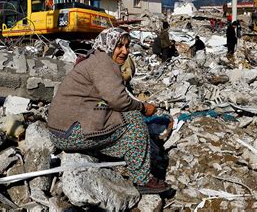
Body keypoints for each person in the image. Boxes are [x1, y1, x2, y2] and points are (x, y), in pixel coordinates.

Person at [47, 28, 171, 194]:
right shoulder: (103, 64)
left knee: (115, 114)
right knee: (133, 119)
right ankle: (142, 179)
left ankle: (106, 151)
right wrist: (142, 107)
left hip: (60, 131)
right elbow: (118, 100)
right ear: (108, 45)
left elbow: (107, 98)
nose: (125, 51)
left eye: (127, 46)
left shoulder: (95, 59)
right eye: (119, 46)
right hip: (70, 133)